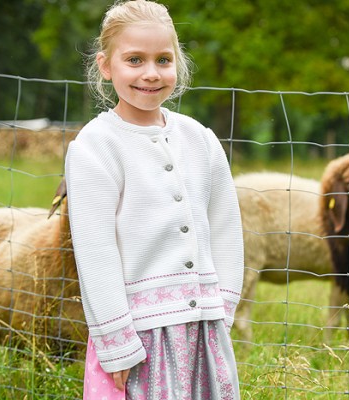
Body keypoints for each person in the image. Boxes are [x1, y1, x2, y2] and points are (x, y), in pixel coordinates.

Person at [64, 1, 244, 398]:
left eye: (163, 59)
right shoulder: (96, 147)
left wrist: (223, 307)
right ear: (106, 66)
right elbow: (96, 251)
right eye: (134, 60)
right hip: (138, 337)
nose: (150, 73)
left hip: (204, 327)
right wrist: (117, 342)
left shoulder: (201, 140)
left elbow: (226, 228)